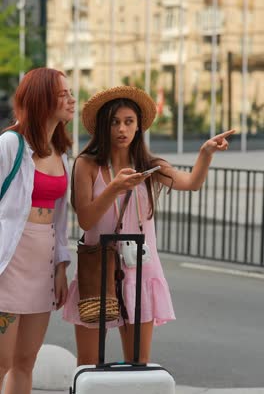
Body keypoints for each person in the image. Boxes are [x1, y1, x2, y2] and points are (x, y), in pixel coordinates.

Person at [63, 85, 234, 365]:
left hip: (139, 269)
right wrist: (114, 188)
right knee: (89, 365)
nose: (122, 129)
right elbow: (85, 219)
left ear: (138, 127)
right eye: (115, 122)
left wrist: (205, 153)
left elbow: (191, 183)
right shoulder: (87, 164)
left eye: (129, 122)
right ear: (103, 127)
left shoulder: (149, 165)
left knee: (137, 365)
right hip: (98, 270)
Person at [0, 67, 75, 394]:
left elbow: (60, 222)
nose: (72, 100)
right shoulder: (10, 144)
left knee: (24, 363)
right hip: (8, 263)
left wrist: (60, 267)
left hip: (41, 265)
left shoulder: (62, 153)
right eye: (64, 94)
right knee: (0, 363)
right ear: (43, 99)